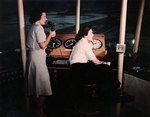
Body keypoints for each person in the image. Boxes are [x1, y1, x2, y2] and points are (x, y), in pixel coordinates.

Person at [69, 25, 120, 100]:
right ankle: (115, 90)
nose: (93, 35)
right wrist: (103, 64)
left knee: (104, 70)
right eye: (91, 33)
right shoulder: (85, 44)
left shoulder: (78, 43)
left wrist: (101, 64)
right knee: (106, 69)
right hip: (80, 70)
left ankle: (102, 92)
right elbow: (95, 61)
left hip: (75, 70)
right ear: (85, 34)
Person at [25, 8, 56, 117]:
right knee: (43, 86)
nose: (46, 19)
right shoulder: (38, 28)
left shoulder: (33, 27)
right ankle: (39, 111)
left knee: (36, 86)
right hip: (38, 60)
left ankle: (38, 111)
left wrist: (47, 36)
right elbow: (42, 45)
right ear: (39, 17)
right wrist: (50, 36)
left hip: (33, 58)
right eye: (44, 16)